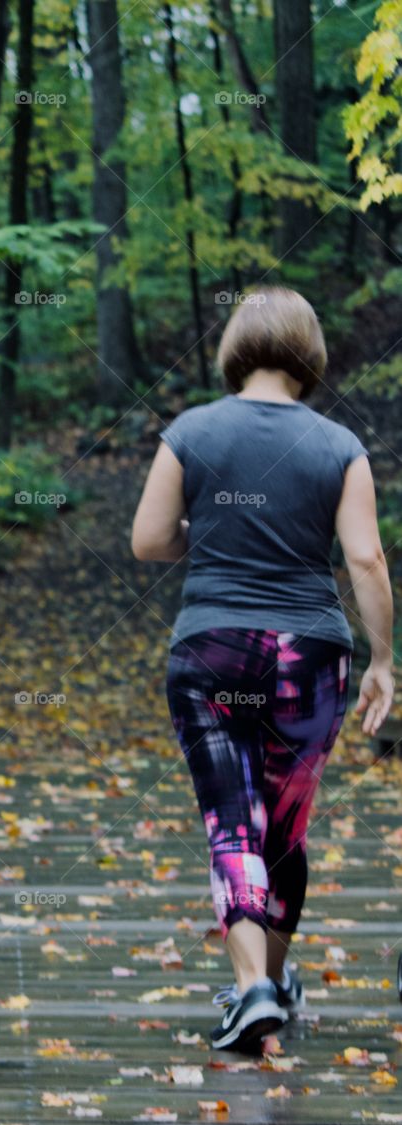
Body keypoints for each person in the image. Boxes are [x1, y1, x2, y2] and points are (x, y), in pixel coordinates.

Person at [131, 286, 394, 1053]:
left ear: (234, 349)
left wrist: (210, 536)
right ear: (308, 353)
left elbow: (148, 539)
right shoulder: (338, 446)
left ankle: (253, 991)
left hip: (210, 649)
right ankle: (267, 988)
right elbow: (365, 558)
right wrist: (383, 660)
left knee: (230, 820)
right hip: (309, 654)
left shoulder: (191, 431)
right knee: (283, 828)